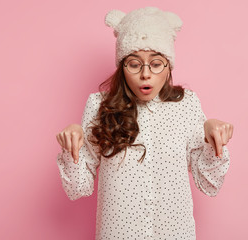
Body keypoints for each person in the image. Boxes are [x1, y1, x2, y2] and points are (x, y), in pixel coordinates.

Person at [55, 6, 233, 240]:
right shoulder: (99, 106)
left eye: (156, 63)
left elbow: (209, 184)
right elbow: (77, 188)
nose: (145, 74)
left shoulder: (187, 105)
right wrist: (73, 147)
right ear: (122, 66)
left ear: (168, 66)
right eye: (135, 64)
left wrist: (213, 142)